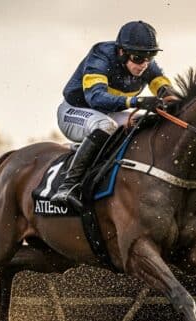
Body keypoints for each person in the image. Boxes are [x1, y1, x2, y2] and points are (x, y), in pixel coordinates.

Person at [50, 20, 180, 211]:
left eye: (149, 57)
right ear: (121, 52)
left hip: (109, 113)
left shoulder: (146, 65)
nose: (144, 64)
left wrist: (174, 103)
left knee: (143, 123)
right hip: (74, 111)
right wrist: (136, 102)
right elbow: (95, 98)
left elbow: (167, 92)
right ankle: (67, 186)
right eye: (138, 58)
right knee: (106, 126)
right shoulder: (101, 56)